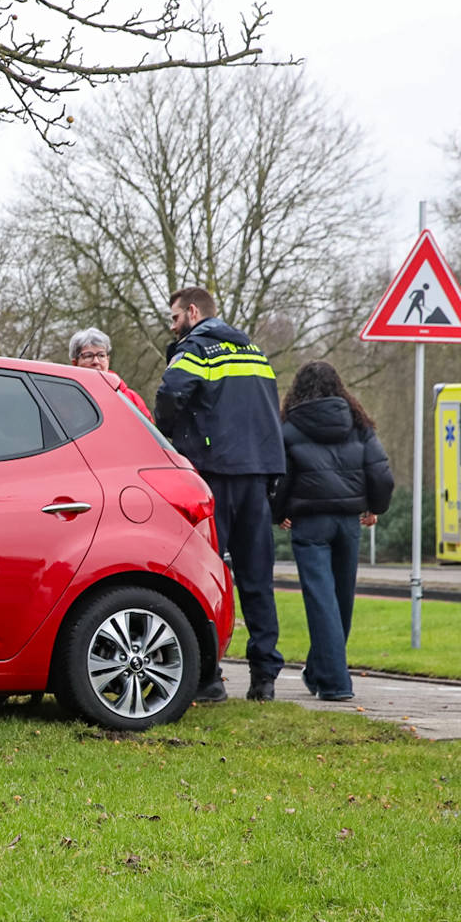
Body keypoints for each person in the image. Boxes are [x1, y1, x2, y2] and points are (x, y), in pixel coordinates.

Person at [154, 287, 285, 702]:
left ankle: (208, 677)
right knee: (257, 579)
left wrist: (168, 437)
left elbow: (170, 395)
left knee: (205, 577)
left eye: (175, 318)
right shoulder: (255, 353)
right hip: (258, 476)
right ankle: (264, 677)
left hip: (213, 477)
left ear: (193, 312)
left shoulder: (195, 350)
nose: (172, 327)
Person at [271, 362, 393, 702]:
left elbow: (280, 478)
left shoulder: (289, 426)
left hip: (310, 523)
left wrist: (278, 513)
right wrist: (374, 507)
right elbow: (381, 473)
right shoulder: (358, 424)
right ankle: (320, 672)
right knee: (341, 600)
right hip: (348, 522)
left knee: (322, 600)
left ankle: (336, 682)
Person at [67, 327, 152, 419]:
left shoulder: (130, 398)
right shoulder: (65, 399)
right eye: (88, 356)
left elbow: (148, 431)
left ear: (108, 359)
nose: (96, 361)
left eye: (101, 355)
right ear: (75, 363)